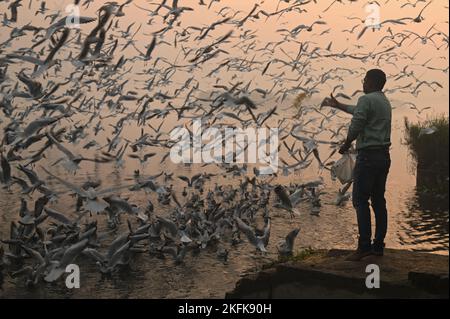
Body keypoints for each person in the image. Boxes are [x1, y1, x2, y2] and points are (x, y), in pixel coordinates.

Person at [322, 69, 392, 261]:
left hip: (368, 156)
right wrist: (338, 105)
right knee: (378, 201)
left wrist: (345, 145)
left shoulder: (366, 99)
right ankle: (378, 246)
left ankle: (363, 247)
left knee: (360, 200)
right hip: (383, 156)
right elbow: (358, 111)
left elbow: (357, 123)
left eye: (364, 80)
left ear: (369, 81)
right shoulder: (384, 102)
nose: (363, 83)